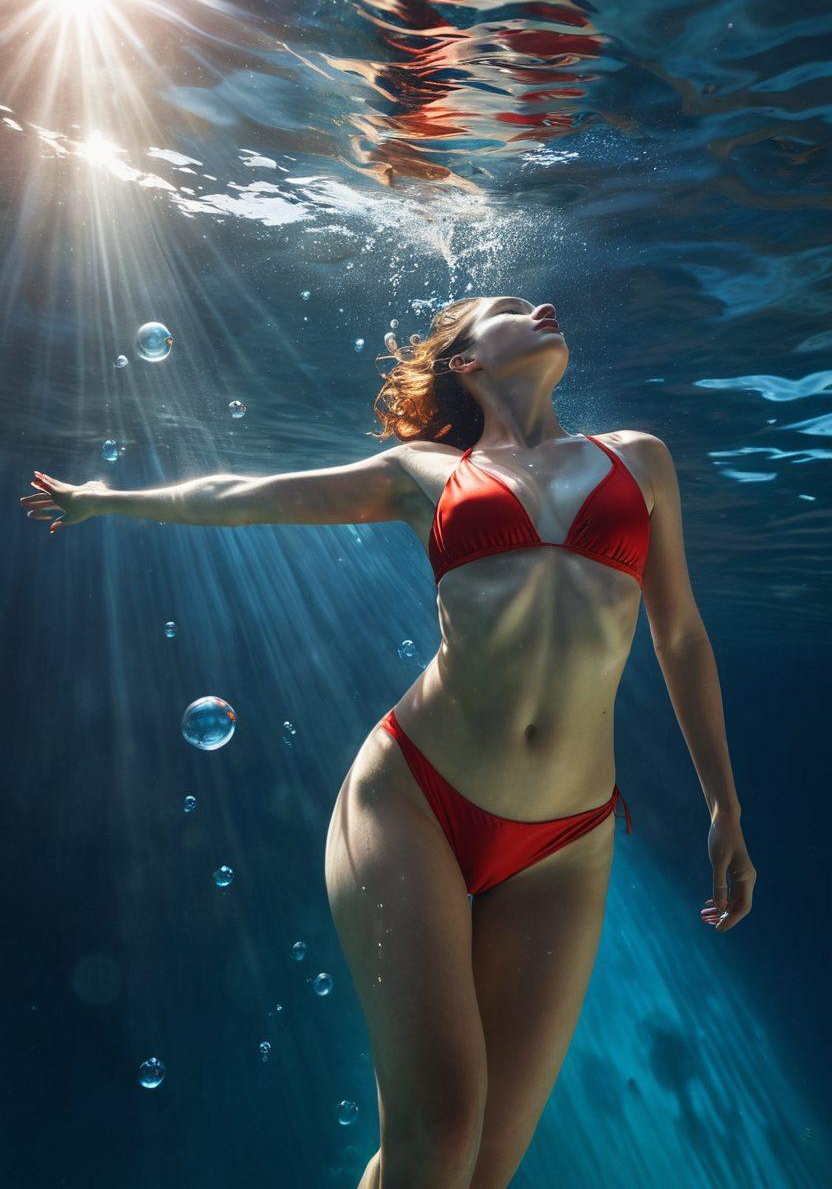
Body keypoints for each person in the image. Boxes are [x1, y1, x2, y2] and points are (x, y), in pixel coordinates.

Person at [21, 296, 757, 1189]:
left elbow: (680, 637)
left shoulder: (640, 461)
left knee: (484, 1171)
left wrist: (726, 804)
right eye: (510, 309)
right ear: (467, 364)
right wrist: (106, 498)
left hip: (567, 844)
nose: (544, 307)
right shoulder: (422, 471)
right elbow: (246, 500)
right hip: (415, 800)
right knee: (438, 1135)